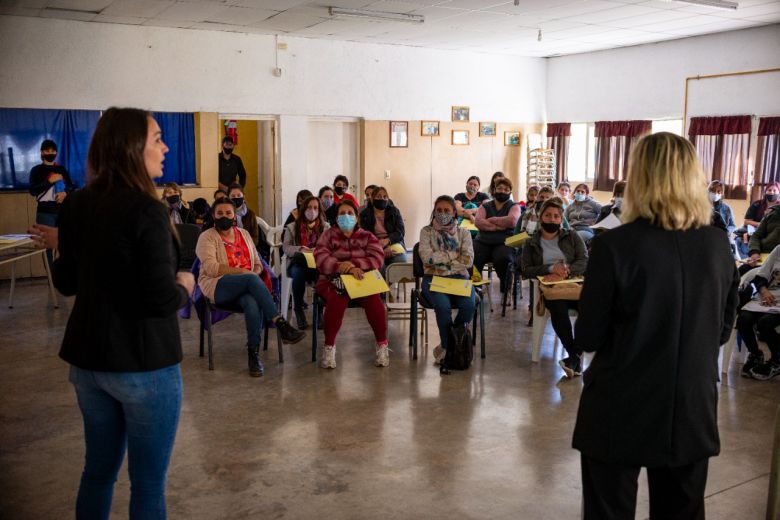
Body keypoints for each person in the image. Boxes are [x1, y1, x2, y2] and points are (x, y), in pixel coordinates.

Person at [573, 132, 739, 519]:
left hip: (620, 402)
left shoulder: (614, 245)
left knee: (608, 511)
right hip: (690, 403)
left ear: (640, 177)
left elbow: (589, 336)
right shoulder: (718, 246)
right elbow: (721, 330)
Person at [50, 107, 195, 518]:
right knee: (148, 484)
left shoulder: (77, 204)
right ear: (132, 148)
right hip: (143, 363)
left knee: (97, 473)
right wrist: (184, 285)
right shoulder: (147, 209)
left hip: (88, 362)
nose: (165, 147)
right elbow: (159, 300)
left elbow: (66, 282)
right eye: (156, 139)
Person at [196, 199, 305, 377]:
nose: (224, 216)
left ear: (234, 216)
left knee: (251, 302)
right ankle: (281, 323)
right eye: (220, 213)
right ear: (213, 216)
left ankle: (253, 353)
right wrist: (245, 274)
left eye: (228, 213)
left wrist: (253, 272)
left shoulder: (244, 234)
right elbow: (212, 268)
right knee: (250, 280)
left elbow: (257, 263)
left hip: (246, 285)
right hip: (217, 285)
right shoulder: (207, 237)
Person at [314, 199, 389, 369]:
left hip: (361, 280)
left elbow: (377, 257)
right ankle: (329, 347)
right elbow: (320, 257)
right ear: (336, 217)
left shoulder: (367, 236)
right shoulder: (328, 235)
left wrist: (355, 265)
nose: (346, 217)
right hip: (333, 281)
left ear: (356, 218)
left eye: (350, 214)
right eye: (342, 214)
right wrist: (341, 266)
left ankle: (382, 345)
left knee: (375, 303)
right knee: (336, 300)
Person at [521, 198, 587, 377]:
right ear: (541, 217)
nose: (552, 219)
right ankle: (574, 356)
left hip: (572, 284)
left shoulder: (572, 236)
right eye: (548, 215)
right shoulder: (530, 242)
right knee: (558, 309)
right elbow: (525, 270)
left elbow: (584, 260)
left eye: (556, 216)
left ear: (561, 219)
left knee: (589, 308)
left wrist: (567, 270)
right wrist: (550, 269)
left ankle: (574, 356)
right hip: (550, 289)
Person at [419, 195, 476, 365]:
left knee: (469, 305)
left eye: (447, 210)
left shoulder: (464, 233)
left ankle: (452, 341)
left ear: (453, 213)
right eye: (439, 210)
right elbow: (426, 259)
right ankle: (448, 346)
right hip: (433, 279)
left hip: (459, 278)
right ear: (434, 212)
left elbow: (468, 260)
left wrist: (441, 262)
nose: (442, 213)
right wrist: (452, 255)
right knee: (443, 307)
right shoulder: (426, 232)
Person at [282, 195, 329, 329]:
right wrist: (300, 249)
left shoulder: (325, 227)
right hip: (298, 263)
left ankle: (319, 311)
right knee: (298, 273)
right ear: (303, 209)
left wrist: (317, 250)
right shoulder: (292, 227)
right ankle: (298, 309)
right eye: (309, 207)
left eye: (315, 208)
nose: (312, 210)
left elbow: (329, 247)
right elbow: (286, 247)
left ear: (319, 210)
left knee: (323, 274)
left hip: (318, 263)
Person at [735, 244, 780, 380]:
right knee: (743, 319)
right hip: (766, 296)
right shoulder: (778, 249)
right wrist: (764, 290)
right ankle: (755, 354)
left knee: (764, 323)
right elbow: (761, 276)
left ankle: (777, 359)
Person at [29, 139, 75, 263]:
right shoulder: (36, 170)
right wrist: (49, 181)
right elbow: (33, 191)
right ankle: (51, 279)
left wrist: (66, 193)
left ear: (56, 152)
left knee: (64, 245)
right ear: (41, 153)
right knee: (47, 247)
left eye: (53, 150)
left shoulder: (61, 169)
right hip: (45, 213)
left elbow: (72, 187)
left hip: (62, 211)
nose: (51, 153)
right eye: (47, 150)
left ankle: (62, 277)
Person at [474, 177, 521, 294]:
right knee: (472, 256)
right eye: (500, 188)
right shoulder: (485, 206)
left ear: (510, 192)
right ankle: (475, 287)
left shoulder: (514, 206)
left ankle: (506, 287)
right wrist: (498, 227)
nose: (503, 191)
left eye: (506, 189)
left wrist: (491, 220)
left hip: (504, 242)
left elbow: (512, 221)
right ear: (494, 190)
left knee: (503, 259)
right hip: (483, 241)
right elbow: (478, 222)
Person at [359, 186, 408, 266]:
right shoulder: (364, 214)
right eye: (378, 196)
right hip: (374, 245)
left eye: (385, 197)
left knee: (400, 263)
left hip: (393, 244)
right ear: (372, 199)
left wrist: (387, 241)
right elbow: (365, 235)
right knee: (378, 265)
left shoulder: (394, 211)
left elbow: (400, 232)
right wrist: (380, 248)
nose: (382, 199)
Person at [737, 182, 780, 257]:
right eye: (769, 190)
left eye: (774, 190)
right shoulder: (757, 204)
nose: (771, 192)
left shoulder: (777, 209)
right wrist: (760, 224)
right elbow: (746, 221)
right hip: (755, 231)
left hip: (769, 236)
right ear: (765, 191)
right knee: (740, 240)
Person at [227, 183, 260, 248]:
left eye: (239, 195)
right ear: (228, 198)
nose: (236, 198)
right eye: (233, 196)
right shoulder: (225, 213)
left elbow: (255, 236)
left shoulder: (250, 214)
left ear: (243, 196)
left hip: (247, 248)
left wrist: (246, 247)